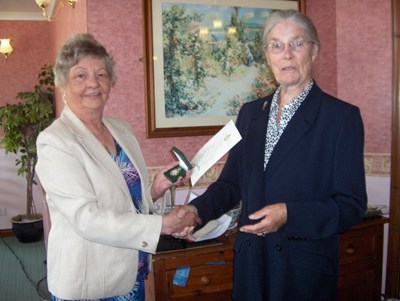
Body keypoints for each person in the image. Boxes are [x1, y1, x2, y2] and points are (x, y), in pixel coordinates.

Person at [186, 9, 367, 301]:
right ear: (266, 55)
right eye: (276, 45)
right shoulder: (249, 114)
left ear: (314, 51)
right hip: (251, 265)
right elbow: (231, 184)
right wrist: (196, 212)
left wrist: (289, 215)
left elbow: (351, 205)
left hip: (302, 270)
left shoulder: (340, 118)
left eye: (297, 43)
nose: (287, 54)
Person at [35, 33, 198, 301]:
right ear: (62, 85)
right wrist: (161, 226)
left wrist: (156, 187)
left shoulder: (121, 129)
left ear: (110, 82)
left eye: (101, 74)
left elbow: (128, 198)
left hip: (131, 270)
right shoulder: (55, 141)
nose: (93, 84)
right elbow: (86, 217)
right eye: (80, 76)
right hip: (89, 282)